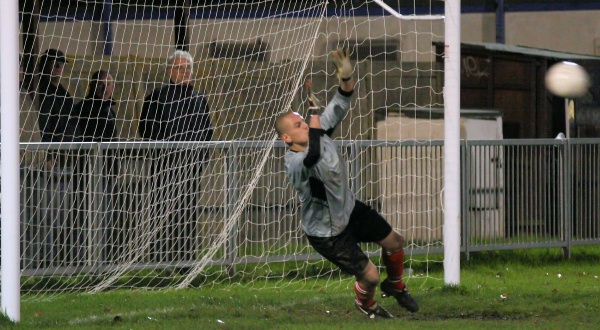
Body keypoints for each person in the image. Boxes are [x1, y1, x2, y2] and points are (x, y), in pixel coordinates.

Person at [274, 48, 419, 319]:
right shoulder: (294, 161)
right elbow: (314, 155)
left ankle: (396, 284)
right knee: (371, 277)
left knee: (396, 242)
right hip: (327, 232)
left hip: (349, 209)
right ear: (286, 138)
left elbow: (342, 99)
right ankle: (365, 303)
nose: (303, 125)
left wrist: (347, 76)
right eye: (297, 125)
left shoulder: (317, 128)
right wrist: (315, 118)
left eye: (303, 121)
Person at [138, 50, 214, 262]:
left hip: (191, 169)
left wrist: (200, 161)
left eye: (188, 67)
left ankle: (186, 261)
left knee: (188, 216)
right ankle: (160, 260)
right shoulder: (157, 97)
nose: (185, 72)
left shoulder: (200, 99)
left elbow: (208, 132)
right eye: (180, 68)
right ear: (170, 70)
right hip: (165, 168)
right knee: (162, 216)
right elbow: (146, 130)